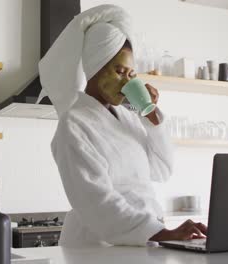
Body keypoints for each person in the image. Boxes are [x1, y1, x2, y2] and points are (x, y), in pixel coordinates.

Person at [39, 4, 207, 247]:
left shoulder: (128, 118)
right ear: (95, 67)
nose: (126, 82)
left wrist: (152, 121)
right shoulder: (74, 124)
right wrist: (161, 233)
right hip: (98, 246)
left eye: (131, 75)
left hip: (142, 239)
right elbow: (95, 201)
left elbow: (162, 170)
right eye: (119, 71)